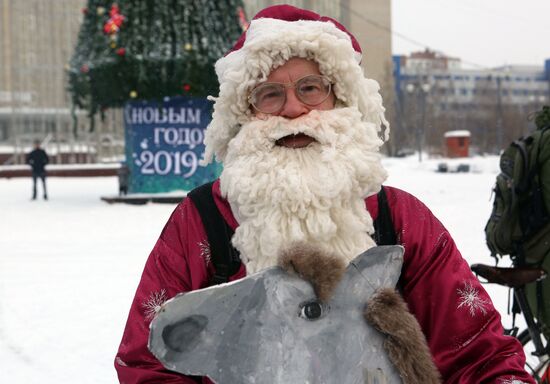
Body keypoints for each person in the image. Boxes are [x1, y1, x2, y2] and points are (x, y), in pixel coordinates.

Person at [115, 5, 534, 383]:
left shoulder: (400, 218)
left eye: (310, 88)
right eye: (270, 94)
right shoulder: (202, 221)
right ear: (244, 115)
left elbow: (479, 356)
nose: (293, 109)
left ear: (342, 101)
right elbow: (149, 361)